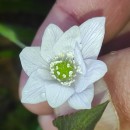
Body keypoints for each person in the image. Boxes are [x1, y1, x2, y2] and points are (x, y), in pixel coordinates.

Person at [19, 0, 130, 130]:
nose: (64, 69)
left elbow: (95, 28)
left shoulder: (84, 40)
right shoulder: (40, 75)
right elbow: (28, 60)